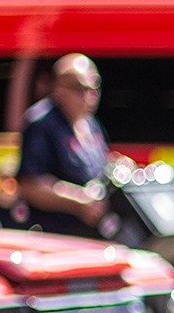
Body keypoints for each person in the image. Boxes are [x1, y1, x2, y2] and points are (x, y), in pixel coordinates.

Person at [14, 54, 116, 238]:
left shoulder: (91, 124)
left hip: (90, 234)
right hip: (54, 235)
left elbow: (101, 167)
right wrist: (79, 200)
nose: (89, 96)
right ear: (58, 89)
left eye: (94, 87)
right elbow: (30, 185)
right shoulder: (42, 123)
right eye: (80, 88)